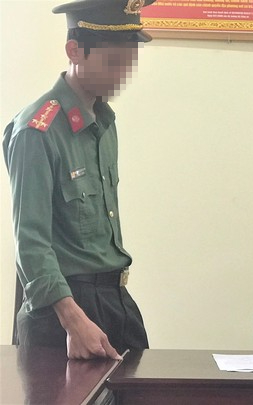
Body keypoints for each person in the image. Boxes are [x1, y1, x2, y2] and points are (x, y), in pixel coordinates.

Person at [3, 0, 156, 360]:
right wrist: (74, 320)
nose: (123, 73)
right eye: (113, 61)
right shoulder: (37, 130)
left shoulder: (104, 123)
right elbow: (31, 243)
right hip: (64, 312)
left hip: (114, 298)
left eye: (128, 61)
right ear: (74, 50)